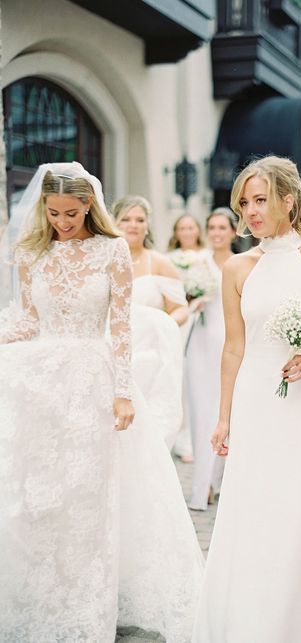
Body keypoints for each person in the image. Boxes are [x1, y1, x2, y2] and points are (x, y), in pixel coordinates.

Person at [0, 163, 203, 643]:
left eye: (70, 212)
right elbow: (27, 321)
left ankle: (89, 600)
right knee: (42, 496)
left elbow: (120, 327)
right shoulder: (33, 253)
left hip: (93, 381)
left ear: (89, 204)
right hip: (41, 384)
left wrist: (124, 391)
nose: (62, 222)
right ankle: (42, 594)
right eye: (53, 213)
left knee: (88, 495)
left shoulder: (113, 250)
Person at [192, 156, 301, 643]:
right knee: (253, 510)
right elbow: (233, 347)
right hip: (256, 402)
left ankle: (298, 624)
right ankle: (249, 621)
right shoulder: (238, 267)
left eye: (261, 200)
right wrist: (224, 417)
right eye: (244, 202)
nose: (251, 212)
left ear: (289, 200)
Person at [113, 195, 188, 449]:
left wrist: (162, 323)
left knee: (145, 424)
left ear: (147, 225)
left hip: (149, 354)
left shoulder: (159, 262)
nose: (133, 225)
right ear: (115, 222)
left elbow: (180, 309)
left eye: (139, 219)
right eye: (126, 219)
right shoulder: (105, 260)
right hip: (111, 351)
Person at [186, 208, 236, 511]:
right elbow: (183, 301)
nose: (217, 233)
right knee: (201, 413)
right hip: (202, 346)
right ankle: (201, 485)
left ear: (232, 231)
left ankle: (220, 481)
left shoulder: (241, 263)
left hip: (229, 345)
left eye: (222, 227)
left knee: (225, 414)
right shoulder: (196, 263)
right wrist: (195, 298)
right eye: (212, 228)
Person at [168, 214, 207, 463]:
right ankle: (179, 436)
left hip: (199, 320)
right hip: (177, 320)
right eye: (182, 227)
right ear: (176, 231)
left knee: (197, 375)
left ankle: (195, 437)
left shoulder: (205, 257)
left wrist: (200, 297)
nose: (186, 231)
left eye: (190, 227)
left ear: (197, 230)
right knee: (177, 374)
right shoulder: (168, 259)